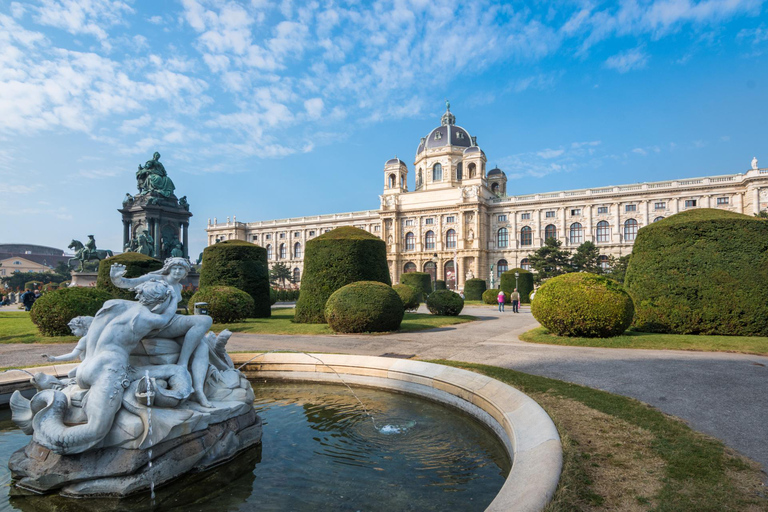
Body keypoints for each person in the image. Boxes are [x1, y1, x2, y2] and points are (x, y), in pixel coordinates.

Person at [110, 257, 213, 407]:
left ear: (185, 272)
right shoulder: (155, 278)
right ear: (168, 269)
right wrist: (116, 277)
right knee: (204, 320)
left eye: (181, 269)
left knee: (202, 345)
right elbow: (127, 283)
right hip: (154, 324)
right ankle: (182, 364)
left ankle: (199, 391)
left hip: (169, 322)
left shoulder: (178, 287)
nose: (177, 271)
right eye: (175, 268)